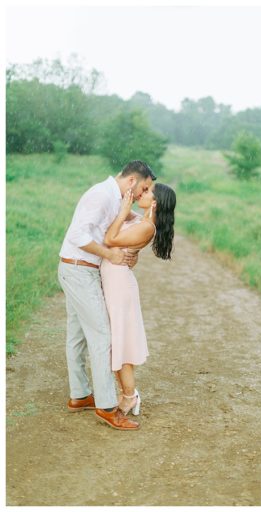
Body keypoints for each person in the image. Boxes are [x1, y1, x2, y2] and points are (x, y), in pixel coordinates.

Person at [58, 160, 154, 431]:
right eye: (144, 188)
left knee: (77, 337)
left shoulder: (118, 199)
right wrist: (109, 253)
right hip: (79, 270)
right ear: (133, 181)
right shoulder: (101, 194)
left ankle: (79, 396)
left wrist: (133, 250)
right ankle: (107, 407)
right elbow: (78, 235)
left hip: (80, 271)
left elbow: (136, 224)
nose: (141, 195)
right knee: (102, 335)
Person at [101, 182, 177, 417]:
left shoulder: (146, 226)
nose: (141, 194)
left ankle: (130, 396)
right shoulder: (141, 219)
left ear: (154, 202)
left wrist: (124, 212)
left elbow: (110, 239)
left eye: (147, 192)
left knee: (120, 343)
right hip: (114, 281)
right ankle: (126, 393)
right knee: (115, 342)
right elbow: (121, 207)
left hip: (119, 285)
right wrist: (128, 199)